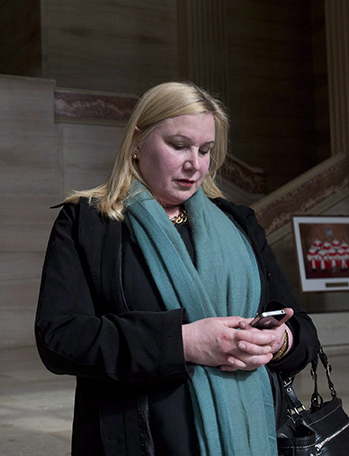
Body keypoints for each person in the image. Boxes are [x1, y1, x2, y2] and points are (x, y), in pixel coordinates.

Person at [35, 81, 320, 455]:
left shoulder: (239, 223)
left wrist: (279, 342)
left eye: (205, 150)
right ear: (137, 141)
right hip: (140, 441)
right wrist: (184, 342)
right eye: (179, 145)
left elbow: (303, 329)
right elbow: (59, 340)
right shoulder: (89, 223)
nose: (195, 164)